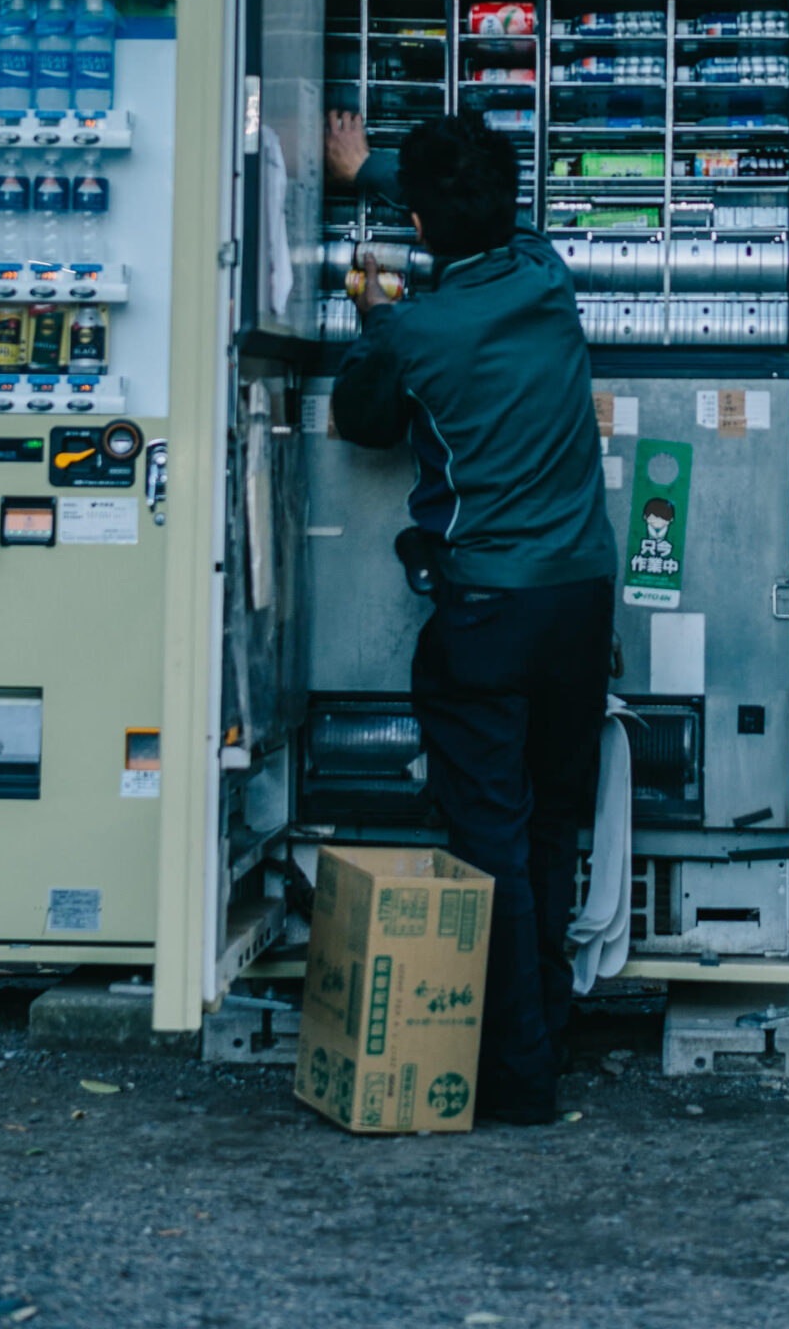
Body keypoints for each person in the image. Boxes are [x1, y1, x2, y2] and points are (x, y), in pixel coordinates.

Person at [325, 107, 615, 1126]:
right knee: (549, 824)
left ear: (419, 217)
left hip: (488, 609)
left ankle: (517, 1078)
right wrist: (382, 173)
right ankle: (549, 1036)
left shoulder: (414, 330)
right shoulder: (544, 272)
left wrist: (371, 304)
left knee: (489, 834)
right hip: (582, 601)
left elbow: (357, 424)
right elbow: (476, 205)